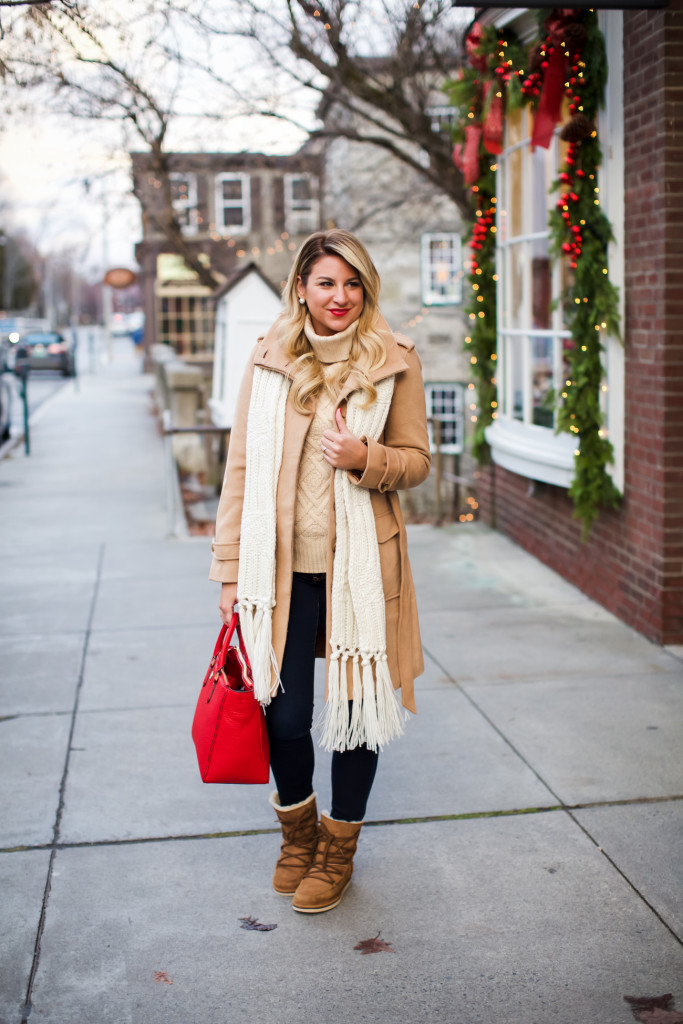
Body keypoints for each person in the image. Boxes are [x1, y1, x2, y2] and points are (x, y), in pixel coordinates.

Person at [209, 229, 431, 914]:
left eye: (352, 283)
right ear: (301, 287)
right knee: (283, 718)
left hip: (360, 572)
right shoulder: (269, 358)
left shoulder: (394, 361)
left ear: (366, 288)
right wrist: (229, 572)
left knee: (358, 716)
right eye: (326, 282)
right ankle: (298, 835)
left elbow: (418, 461)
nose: (340, 296)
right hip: (279, 573)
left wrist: (367, 458)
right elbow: (240, 468)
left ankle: (338, 850)